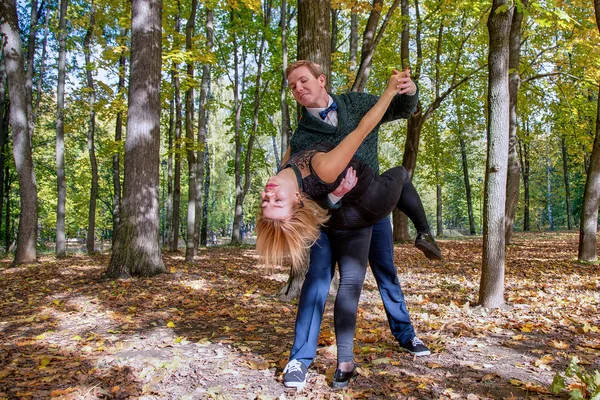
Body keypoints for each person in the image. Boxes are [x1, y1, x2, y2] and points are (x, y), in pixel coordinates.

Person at [255, 71, 441, 389]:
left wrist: (409, 91)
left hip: (366, 207)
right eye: (293, 86)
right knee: (316, 283)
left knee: (386, 272)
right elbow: (300, 181)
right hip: (325, 218)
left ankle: (406, 335)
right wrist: (326, 198)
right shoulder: (301, 131)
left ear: (321, 80)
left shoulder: (354, 103)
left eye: (303, 82)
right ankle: (299, 360)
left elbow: (400, 108)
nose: (298, 89)